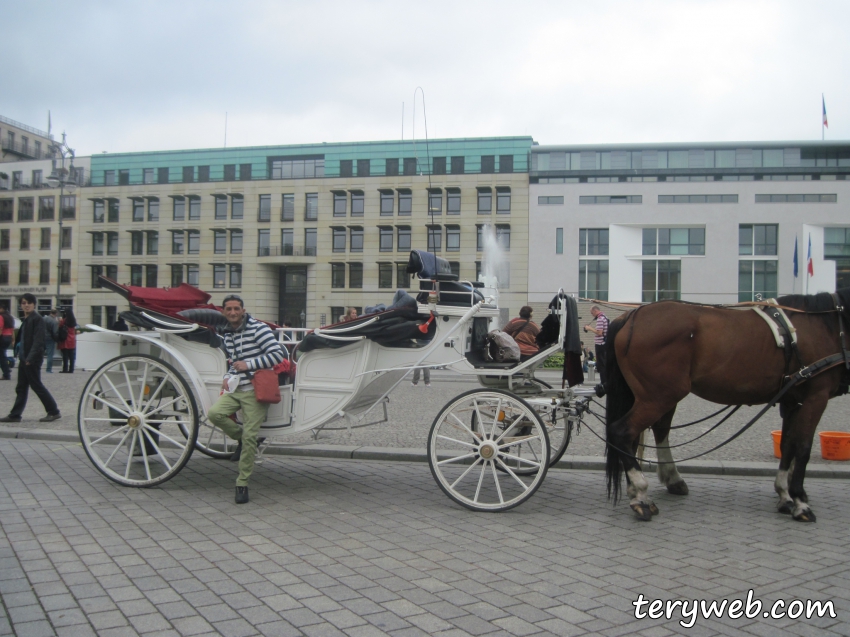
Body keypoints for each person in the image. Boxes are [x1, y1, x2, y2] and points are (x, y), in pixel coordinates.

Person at [206, 295, 285, 504]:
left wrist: (249, 364)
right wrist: (226, 376)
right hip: (236, 388)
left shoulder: (258, 329)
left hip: (255, 390)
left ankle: (242, 483)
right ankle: (242, 438)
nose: (233, 312)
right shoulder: (228, 333)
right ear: (223, 311)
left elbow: (278, 355)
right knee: (214, 414)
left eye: (236, 309)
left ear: (243, 310)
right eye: (229, 309)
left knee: (251, 436)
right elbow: (234, 362)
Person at [0, 294, 61, 423]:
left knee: (36, 385)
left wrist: (30, 358)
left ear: (34, 304)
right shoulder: (27, 319)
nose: (26, 305)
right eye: (23, 303)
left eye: (29, 303)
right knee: (21, 387)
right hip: (24, 358)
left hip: (31, 359)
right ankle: (15, 415)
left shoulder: (37, 319)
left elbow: (38, 341)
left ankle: (53, 411)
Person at [584, 305, 608, 384]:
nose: (592, 315)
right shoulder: (605, 317)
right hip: (604, 344)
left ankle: (604, 383)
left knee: (601, 365)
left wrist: (589, 328)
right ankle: (605, 382)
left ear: (595, 311)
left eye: (592, 313)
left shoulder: (600, 319)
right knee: (603, 363)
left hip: (600, 344)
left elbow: (599, 332)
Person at [58, 309, 77, 373]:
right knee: (71, 356)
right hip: (72, 339)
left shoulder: (65, 320)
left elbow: (60, 325)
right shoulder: (73, 320)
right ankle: (71, 369)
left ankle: (65, 369)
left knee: (65, 356)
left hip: (66, 339)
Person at [43, 309, 60, 373]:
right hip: (50, 338)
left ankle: (37, 367)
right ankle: (48, 369)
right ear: (56, 314)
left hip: (41, 337)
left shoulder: (44, 319)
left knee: (39, 353)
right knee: (50, 354)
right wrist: (57, 340)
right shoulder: (54, 322)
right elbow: (55, 332)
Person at [0, 305, 14, 380]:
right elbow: (12, 329)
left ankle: (6, 373)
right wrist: (13, 339)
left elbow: (0, 328)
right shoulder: (10, 317)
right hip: (8, 337)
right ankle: (7, 370)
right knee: (3, 355)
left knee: (2, 357)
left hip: (2, 337)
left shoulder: (1, 316)